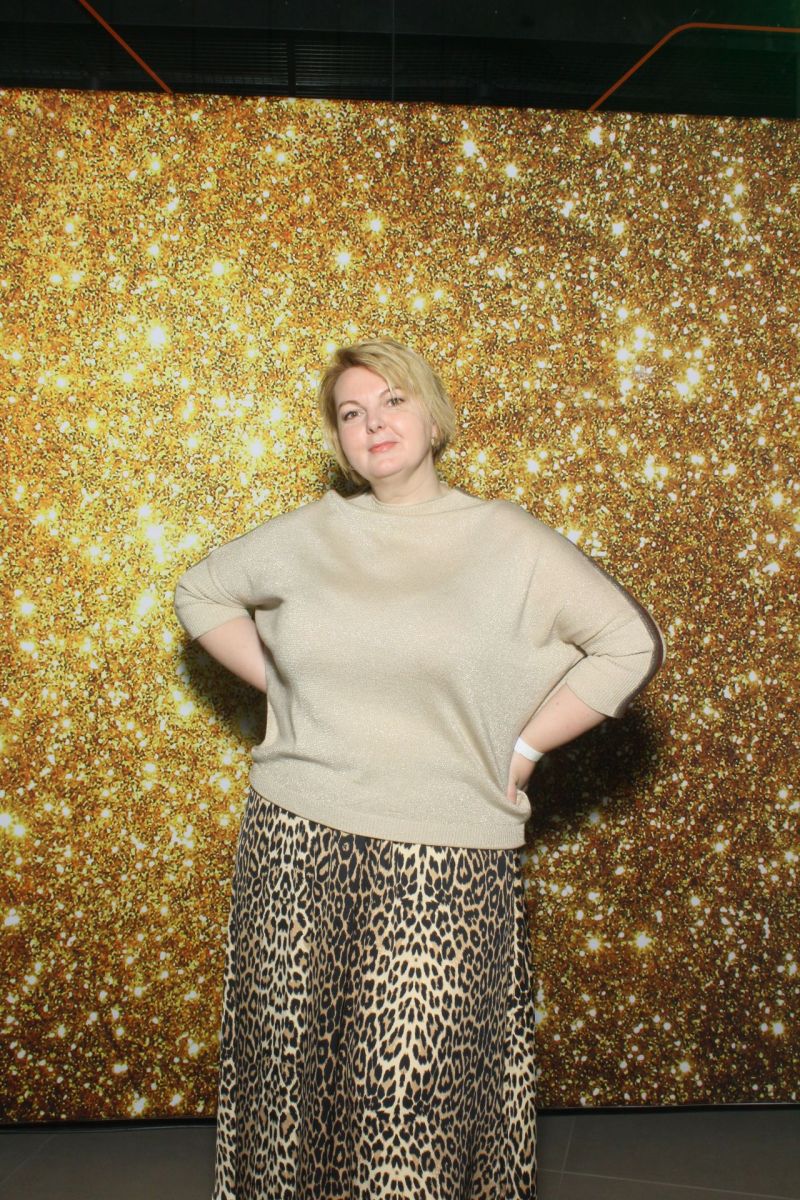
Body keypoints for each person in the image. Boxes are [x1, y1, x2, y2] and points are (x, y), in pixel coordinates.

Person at [173, 337, 666, 1200]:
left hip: (443, 853)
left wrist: (524, 747)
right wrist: (286, 685)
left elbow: (631, 645)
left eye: (392, 401)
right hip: (293, 838)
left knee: (411, 1097)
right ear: (339, 440)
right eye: (351, 413)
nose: (373, 423)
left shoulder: (507, 540)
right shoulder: (312, 533)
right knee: (287, 1077)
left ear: (433, 419)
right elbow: (200, 593)